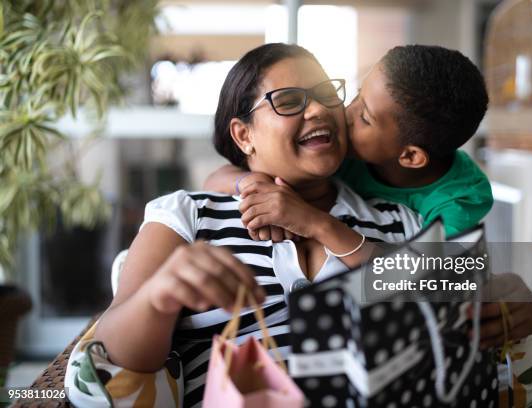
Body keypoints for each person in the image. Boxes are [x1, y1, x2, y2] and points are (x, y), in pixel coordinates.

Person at [64, 43, 423, 408]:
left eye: (326, 95)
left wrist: (318, 225)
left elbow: (459, 294)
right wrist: (160, 296)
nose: (317, 109)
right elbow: (111, 357)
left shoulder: (399, 220)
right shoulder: (187, 215)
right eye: (287, 100)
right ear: (243, 135)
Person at [202, 44, 532, 350]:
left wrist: (315, 222)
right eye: (356, 95)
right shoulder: (347, 152)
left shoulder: (456, 200)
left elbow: (437, 283)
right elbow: (217, 177)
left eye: (364, 116)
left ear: (409, 157)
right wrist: (255, 184)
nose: (343, 114)